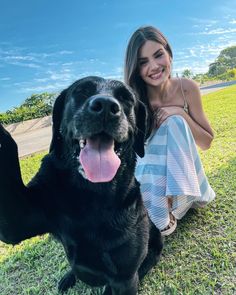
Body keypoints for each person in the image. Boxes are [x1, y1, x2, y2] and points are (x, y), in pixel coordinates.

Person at [124, 26, 215, 236]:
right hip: (150, 178)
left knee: (175, 122)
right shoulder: (133, 99)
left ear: (169, 53)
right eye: (143, 62)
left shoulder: (187, 88)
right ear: (135, 69)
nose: (154, 66)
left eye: (158, 55)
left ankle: (171, 205)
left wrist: (179, 113)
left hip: (182, 182)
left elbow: (207, 142)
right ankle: (159, 210)